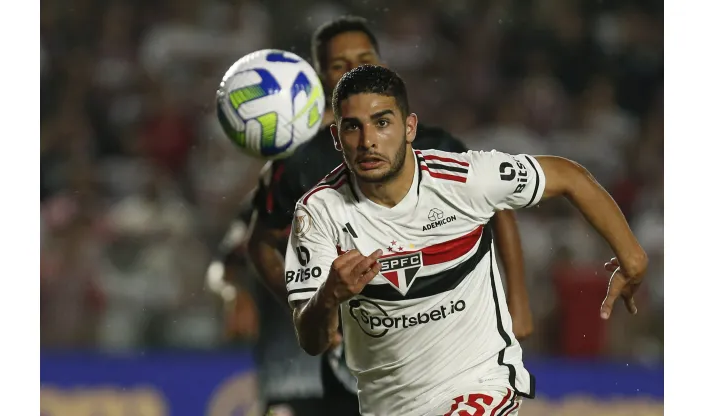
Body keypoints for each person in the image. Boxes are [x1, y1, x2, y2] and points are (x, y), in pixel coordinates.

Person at [211, 16, 532, 415]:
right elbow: (260, 243)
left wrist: (517, 298)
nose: (353, 69)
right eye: (337, 64)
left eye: (365, 58)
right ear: (320, 82)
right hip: (312, 365)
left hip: (412, 347)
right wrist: (307, 302)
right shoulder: (298, 162)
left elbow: (496, 207)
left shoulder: (434, 146)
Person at [285, 64, 647, 416]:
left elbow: (569, 176)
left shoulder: (464, 180)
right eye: (353, 127)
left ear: (409, 127)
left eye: (382, 123)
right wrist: (329, 295)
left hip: (481, 382)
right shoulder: (319, 213)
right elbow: (312, 341)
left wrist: (632, 257)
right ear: (336, 138)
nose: (368, 141)